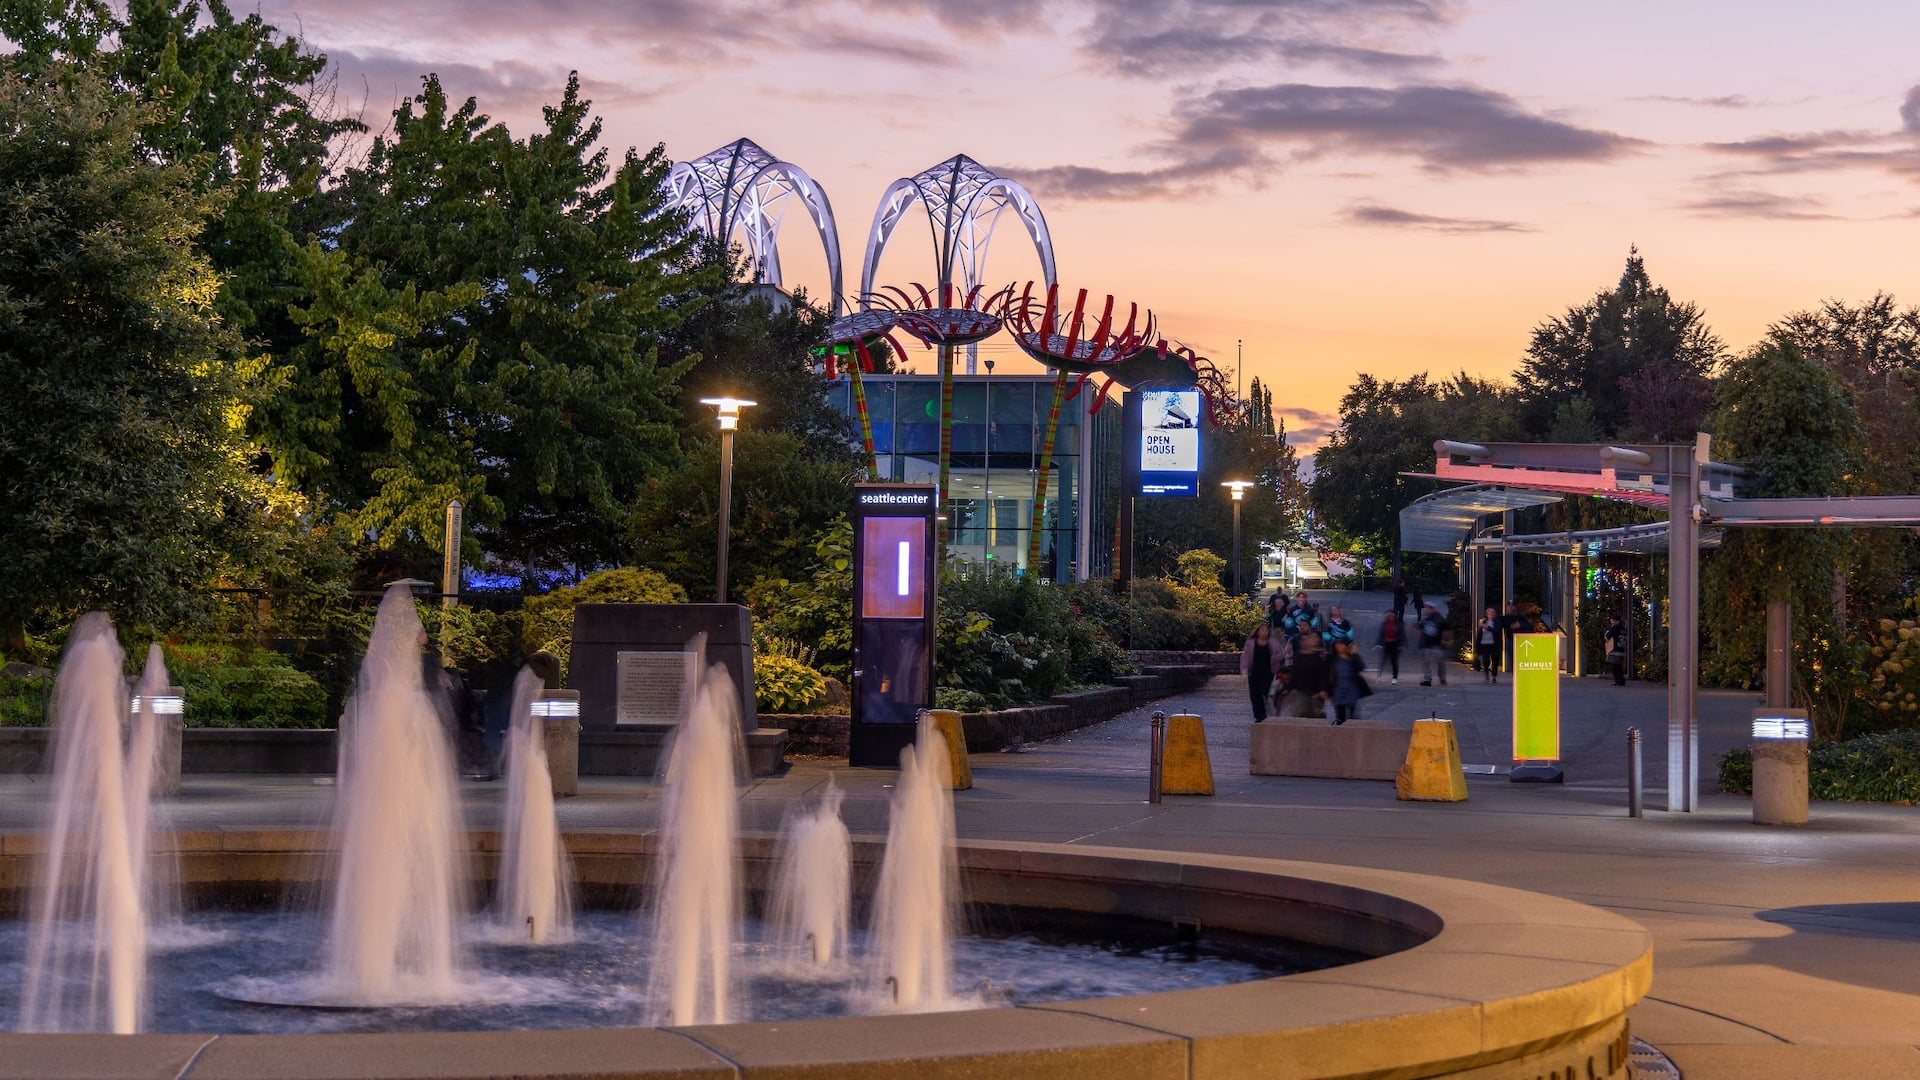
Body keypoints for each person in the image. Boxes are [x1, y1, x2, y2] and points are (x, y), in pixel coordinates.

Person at [1282, 630, 1329, 718]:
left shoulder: (1319, 659)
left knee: (1314, 716)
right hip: (1301, 692)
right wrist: (1289, 687)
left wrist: (1323, 690)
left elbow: (1323, 676)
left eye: (1314, 638)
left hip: (1315, 693)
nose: (1308, 639)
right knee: (1301, 714)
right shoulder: (1299, 656)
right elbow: (1296, 673)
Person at [1241, 623, 1278, 722]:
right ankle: (1259, 716)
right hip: (1254, 672)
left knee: (1267, 693)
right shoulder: (1251, 643)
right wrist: (1244, 669)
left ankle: (1271, 714)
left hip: (1268, 672)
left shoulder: (1272, 642)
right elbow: (1245, 657)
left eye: (1266, 630)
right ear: (1257, 632)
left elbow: (1281, 654)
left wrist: (1274, 658)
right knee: (1255, 695)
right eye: (1262, 630)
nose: (1264, 632)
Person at [1328, 640, 1368, 725]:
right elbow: (1327, 674)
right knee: (1340, 717)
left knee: (1353, 717)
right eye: (1337, 645)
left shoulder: (1352, 657)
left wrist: (1355, 654)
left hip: (1351, 689)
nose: (1338, 647)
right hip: (1338, 690)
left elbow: (1361, 667)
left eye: (1341, 644)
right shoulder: (1333, 658)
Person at [1417, 604, 1448, 687]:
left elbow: (1446, 629)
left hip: (1437, 644)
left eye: (1428, 609)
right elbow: (1420, 628)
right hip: (1426, 644)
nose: (1426, 610)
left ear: (1432, 609)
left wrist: (1445, 641)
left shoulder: (1439, 619)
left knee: (1440, 662)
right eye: (1426, 609)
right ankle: (1427, 679)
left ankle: (1442, 678)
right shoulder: (1426, 619)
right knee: (1426, 662)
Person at [1475, 608, 1501, 684]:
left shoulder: (1497, 622)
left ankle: (1494, 676)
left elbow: (1496, 631)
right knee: (1485, 660)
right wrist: (1477, 645)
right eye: (1490, 613)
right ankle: (1486, 676)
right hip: (1484, 643)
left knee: (1495, 660)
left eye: (1493, 613)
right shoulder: (1483, 621)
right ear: (1487, 614)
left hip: (1494, 644)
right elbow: (1479, 634)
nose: (1491, 614)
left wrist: (1486, 627)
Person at [1377, 612, 1404, 685]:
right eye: (1389, 615)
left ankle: (1394, 678)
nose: (1391, 616)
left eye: (1392, 615)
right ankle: (1379, 676)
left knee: (1394, 662)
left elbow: (1402, 635)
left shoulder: (1398, 624)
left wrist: (1401, 644)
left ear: (1395, 616)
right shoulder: (1384, 624)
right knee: (1383, 661)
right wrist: (1379, 644)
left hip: (1395, 644)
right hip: (1386, 644)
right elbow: (1381, 634)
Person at [1604, 615, 1628, 686]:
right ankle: (1621, 681)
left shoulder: (1614, 628)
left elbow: (1608, 636)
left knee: (1615, 667)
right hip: (1621, 649)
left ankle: (1618, 681)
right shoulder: (1623, 629)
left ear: (1617, 621)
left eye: (1613, 620)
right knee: (1619, 667)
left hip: (1614, 650)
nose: (1612, 622)